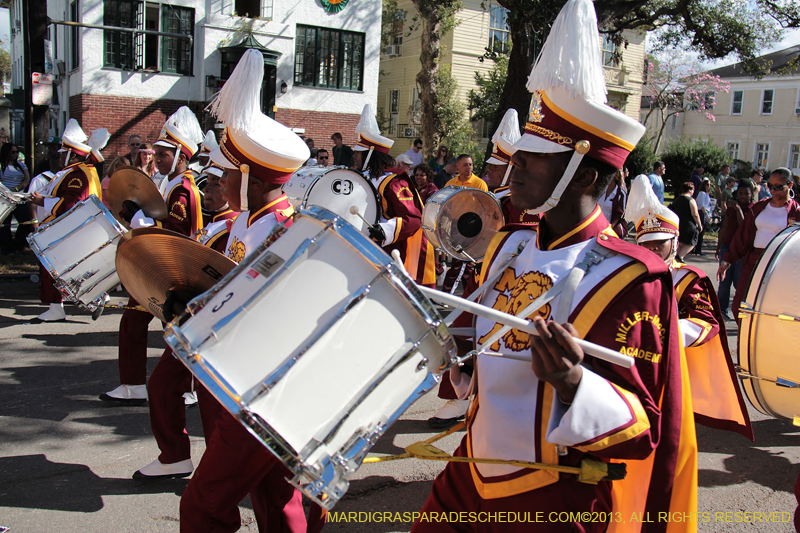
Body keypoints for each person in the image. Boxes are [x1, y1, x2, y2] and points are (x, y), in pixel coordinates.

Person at [414, 0, 695, 527]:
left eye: (533, 156)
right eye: (518, 153)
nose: (514, 163)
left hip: (555, 497)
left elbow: (647, 428)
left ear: (585, 177)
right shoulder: (508, 246)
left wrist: (572, 381)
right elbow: (480, 365)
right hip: (471, 471)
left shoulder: (634, 278)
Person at [178, 48, 325, 533]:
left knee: (202, 506)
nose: (216, 182)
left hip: (263, 391)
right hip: (235, 379)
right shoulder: (247, 220)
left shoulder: (286, 230)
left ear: (251, 178)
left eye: (225, 172)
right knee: (277, 498)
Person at [625, 175, 752, 439]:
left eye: (659, 243)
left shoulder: (687, 278)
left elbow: (707, 321)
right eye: (646, 244)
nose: (652, 249)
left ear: (674, 241)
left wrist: (667, 333)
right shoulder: (626, 274)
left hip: (671, 361)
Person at [133, 164, 238, 481]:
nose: (206, 194)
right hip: (190, 322)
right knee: (163, 385)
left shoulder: (234, 227)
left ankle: (216, 472)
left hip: (210, 328)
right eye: (206, 188)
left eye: (214, 187)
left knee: (210, 402)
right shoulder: (217, 224)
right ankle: (175, 456)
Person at [99, 106, 205, 405]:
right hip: (161, 265)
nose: (156, 160)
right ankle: (141, 385)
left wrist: (138, 219)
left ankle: (183, 387)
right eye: (156, 154)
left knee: (172, 328)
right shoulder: (172, 183)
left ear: (182, 156)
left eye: (163, 156)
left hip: (171, 267)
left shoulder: (183, 189)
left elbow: (175, 231)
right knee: (151, 325)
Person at [353, 104, 436, 288]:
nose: (355, 156)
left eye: (359, 153)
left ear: (370, 155)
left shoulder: (394, 182)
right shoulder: (359, 177)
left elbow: (413, 218)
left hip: (392, 253)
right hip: (368, 250)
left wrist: (385, 230)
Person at [28, 119, 103, 321]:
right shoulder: (80, 172)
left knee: (57, 267)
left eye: (63, 153)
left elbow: (73, 204)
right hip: (75, 229)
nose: (60, 157)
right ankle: (80, 301)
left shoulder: (78, 174)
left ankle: (60, 306)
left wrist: (42, 200)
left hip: (70, 230)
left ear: (71, 154)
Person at [719, 167, 800, 317]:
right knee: (740, 306)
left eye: (779, 186)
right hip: (753, 261)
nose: (773, 190)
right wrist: (726, 261)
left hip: (779, 264)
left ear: (790, 186)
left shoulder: (796, 212)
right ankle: (744, 337)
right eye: (770, 186)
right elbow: (743, 236)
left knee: (771, 308)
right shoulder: (760, 207)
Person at [440, 154, 489, 293]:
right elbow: (444, 204)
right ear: (458, 167)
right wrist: (449, 216)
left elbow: (485, 206)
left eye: (471, 164)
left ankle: (446, 293)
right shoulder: (450, 184)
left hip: (472, 225)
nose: (469, 167)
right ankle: (471, 295)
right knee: (465, 263)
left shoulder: (479, 184)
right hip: (455, 224)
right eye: (465, 165)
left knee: (459, 261)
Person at [715, 179, 754, 320]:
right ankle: (721, 311)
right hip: (727, 246)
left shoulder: (753, 210)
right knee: (724, 281)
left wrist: (738, 210)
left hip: (742, 250)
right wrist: (719, 246)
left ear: (751, 195)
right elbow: (725, 227)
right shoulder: (731, 209)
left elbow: (744, 227)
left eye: (746, 194)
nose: (743, 196)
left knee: (740, 282)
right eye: (741, 193)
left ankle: (740, 311)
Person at [0, 143, 32, 254]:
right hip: (5, 199)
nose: (15, 154)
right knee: (5, 224)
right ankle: (7, 248)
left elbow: (27, 179)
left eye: (16, 152)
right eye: (13, 152)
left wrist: (16, 188)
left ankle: (19, 244)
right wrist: (6, 191)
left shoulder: (21, 166)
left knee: (26, 222)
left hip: (19, 197)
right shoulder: (1, 166)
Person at [669, 182, 702, 261]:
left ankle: (676, 257)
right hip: (689, 224)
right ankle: (680, 256)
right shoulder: (691, 200)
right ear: (690, 190)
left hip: (679, 224)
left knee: (681, 243)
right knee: (692, 242)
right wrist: (700, 225)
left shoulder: (677, 199)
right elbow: (695, 214)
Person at [598, 168, 628, 238]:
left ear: (615, 176)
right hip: (597, 228)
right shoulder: (600, 190)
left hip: (610, 232)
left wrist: (609, 228)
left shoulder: (621, 194)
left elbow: (619, 215)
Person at [693, 178, 712, 255]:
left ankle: (698, 248)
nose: (709, 186)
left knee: (702, 232)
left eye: (710, 185)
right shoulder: (701, 193)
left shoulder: (707, 194)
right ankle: (696, 249)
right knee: (700, 231)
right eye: (707, 184)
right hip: (702, 213)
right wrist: (706, 215)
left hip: (707, 212)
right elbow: (701, 205)